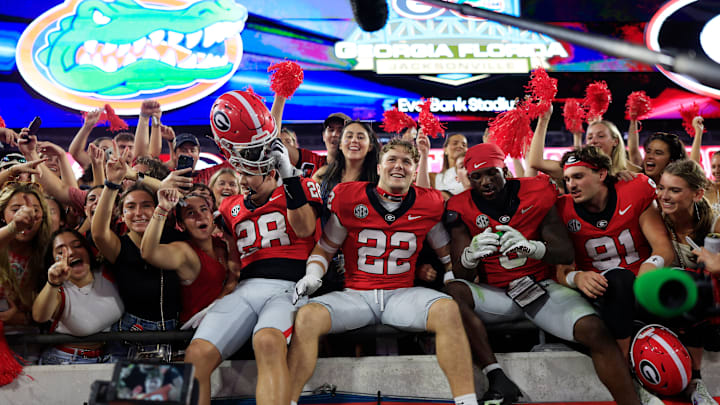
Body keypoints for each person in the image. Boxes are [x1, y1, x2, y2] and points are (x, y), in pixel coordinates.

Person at [445, 143, 642, 405]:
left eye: (492, 173)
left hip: (541, 285)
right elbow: (462, 273)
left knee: (594, 330)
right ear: (468, 179)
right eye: (477, 177)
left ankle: (632, 401)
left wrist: (533, 248)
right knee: (453, 293)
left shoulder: (536, 190)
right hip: (497, 293)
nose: (486, 182)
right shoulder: (460, 205)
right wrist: (471, 254)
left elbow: (564, 253)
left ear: (505, 169)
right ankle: (497, 378)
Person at [289, 138, 478, 405]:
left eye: (406, 162)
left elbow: (446, 253)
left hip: (402, 294)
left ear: (415, 170)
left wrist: (450, 274)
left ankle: (466, 401)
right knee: (306, 317)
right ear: (379, 167)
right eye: (392, 159)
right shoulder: (349, 197)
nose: (398, 166)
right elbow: (325, 248)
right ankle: (288, 401)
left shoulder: (429, 203)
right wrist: (313, 275)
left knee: (447, 310)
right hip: (356, 295)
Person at [184, 89, 322, 405]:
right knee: (196, 355)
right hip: (246, 288)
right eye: (241, 171)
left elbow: (304, 228)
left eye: (251, 169)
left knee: (269, 342)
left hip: (290, 286)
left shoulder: (298, 187)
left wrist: (289, 177)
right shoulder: (229, 207)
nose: (245, 177)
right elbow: (227, 259)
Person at [554, 145, 675, 405]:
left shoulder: (634, 189)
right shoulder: (561, 209)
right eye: (566, 179)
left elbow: (663, 248)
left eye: (578, 176)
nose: (571, 185)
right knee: (617, 281)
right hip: (601, 295)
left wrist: (650, 269)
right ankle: (626, 370)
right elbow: (559, 270)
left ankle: (694, 379)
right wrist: (579, 277)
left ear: (601, 175)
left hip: (643, 286)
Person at [92, 145, 182, 339]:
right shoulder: (119, 246)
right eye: (130, 207)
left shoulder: (174, 238)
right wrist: (112, 183)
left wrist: (134, 176)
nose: (139, 213)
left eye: (146, 205)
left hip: (175, 334)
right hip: (131, 334)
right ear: (122, 216)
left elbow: (178, 194)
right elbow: (99, 233)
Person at [655, 159, 719, 405]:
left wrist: (714, 262)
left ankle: (696, 382)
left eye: (674, 190)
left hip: (707, 311)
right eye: (662, 188)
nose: (664, 196)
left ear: (698, 193)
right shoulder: (653, 217)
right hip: (665, 306)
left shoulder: (714, 224)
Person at [140, 188, 235, 324]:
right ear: (181, 225)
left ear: (212, 216)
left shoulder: (222, 244)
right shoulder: (185, 251)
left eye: (203, 209)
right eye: (190, 213)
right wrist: (162, 208)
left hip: (231, 322)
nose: (199, 216)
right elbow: (149, 253)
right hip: (197, 331)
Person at [32, 229, 123, 364]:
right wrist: (53, 283)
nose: (71, 252)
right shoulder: (59, 290)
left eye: (77, 245)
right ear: (53, 260)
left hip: (107, 356)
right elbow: (40, 316)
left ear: (87, 250)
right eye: (60, 252)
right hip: (66, 361)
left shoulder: (105, 273)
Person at [528, 106, 638, 181]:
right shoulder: (575, 167)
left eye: (601, 136)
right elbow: (536, 162)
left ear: (615, 141)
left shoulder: (631, 171)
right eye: (589, 137)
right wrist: (544, 119)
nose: (593, 141)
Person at [0, 182, 53, 326]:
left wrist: (21, 319)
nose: (26, 215)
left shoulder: (50, 252)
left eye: (35, 210)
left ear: (43, 216)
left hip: (32, 342)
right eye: (16, 209)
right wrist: (14, 227)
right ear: (3, 215)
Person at [430, 133, 468, 199]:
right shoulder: (434, 177)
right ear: (445, 149)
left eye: (464, 145)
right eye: (455, 143)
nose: (460, 146)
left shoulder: (471, 173)